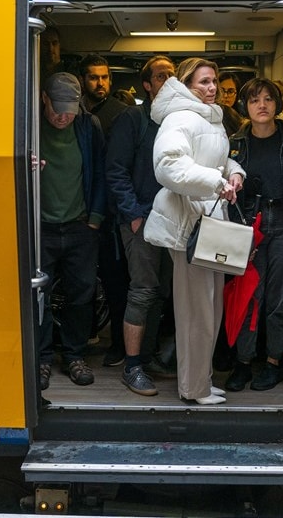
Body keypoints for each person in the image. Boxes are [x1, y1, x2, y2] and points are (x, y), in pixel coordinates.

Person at [145, 57, 245, 405]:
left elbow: (215, 159)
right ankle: (193, 388)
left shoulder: (206, 117)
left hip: (207, 223)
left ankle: (200, 380)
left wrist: (234, 172)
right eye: (203, 82)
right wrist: (216, 182)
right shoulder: (180, 118)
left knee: (209, 306)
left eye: (214, 81)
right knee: (196, 311)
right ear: (186, 85)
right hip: (190, 225)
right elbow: (168, 166)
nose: (212, 88)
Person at [224, 78, 283, 392]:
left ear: (278, 104)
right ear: (245, 105)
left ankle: (274, 362)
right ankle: (242, 363)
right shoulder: (235, 141)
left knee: (278, 299)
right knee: (247, 297)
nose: (262, 105)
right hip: (249, 224)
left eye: (269, 99)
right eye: (255, 99)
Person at [107, 55, 178, 396]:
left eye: (173, 75)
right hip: (142, 220)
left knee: (161, 292)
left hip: (174, 221)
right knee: (143, 291)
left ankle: (147, 358)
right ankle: (132, 367)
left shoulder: (178, 120)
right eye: (162, 75)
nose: (169, 79)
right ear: (147, 85)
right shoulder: (132, 119)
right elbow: (116, 171)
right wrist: (133, 213)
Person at [37, 72, 107, 391]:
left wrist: (94, 218)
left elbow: (100, 171)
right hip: (40, 227)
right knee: (39, 295)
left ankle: (74, 355)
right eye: (57, 108)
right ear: (43, 99)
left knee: (82, 294)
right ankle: (41, 358)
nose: (63, 116)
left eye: (71, 109)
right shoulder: (28, 127)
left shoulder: (87, 125)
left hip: (80, 225)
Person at [78, 54, 132, 367]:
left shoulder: (121, 114)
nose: (101, 83)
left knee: (115, 282)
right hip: (79, 208)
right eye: (94, 77)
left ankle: (119, 345)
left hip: (112, 213)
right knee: (83, 281)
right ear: (83, 80)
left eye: (105, 77)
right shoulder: (73, 112)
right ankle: (85, 337)